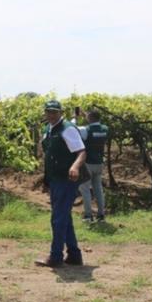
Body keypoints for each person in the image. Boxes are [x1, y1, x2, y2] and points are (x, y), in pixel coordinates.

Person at [36, 100, 87, 268]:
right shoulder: (48, 129)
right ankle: (74, 255)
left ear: (60, 112)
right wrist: (46, 179)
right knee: (64, 217)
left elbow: (81, 151)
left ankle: (56, 256)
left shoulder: (68, 129)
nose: (51, 115)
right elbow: (49, 155)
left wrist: (75, 166)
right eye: (48, 111)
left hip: (67, 179)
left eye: (54, 112)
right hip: (55, 178)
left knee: (58, 218)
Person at [78, 110, 109, 222]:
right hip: (99, 163)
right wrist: (87, 116)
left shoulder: (85, 130)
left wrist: (76, 118)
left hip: (87, 164)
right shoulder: (105, 129)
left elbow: (75, 129)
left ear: (89, 118)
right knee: (98, 189)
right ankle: (101, 215)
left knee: (85, 189)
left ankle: (88, 216)